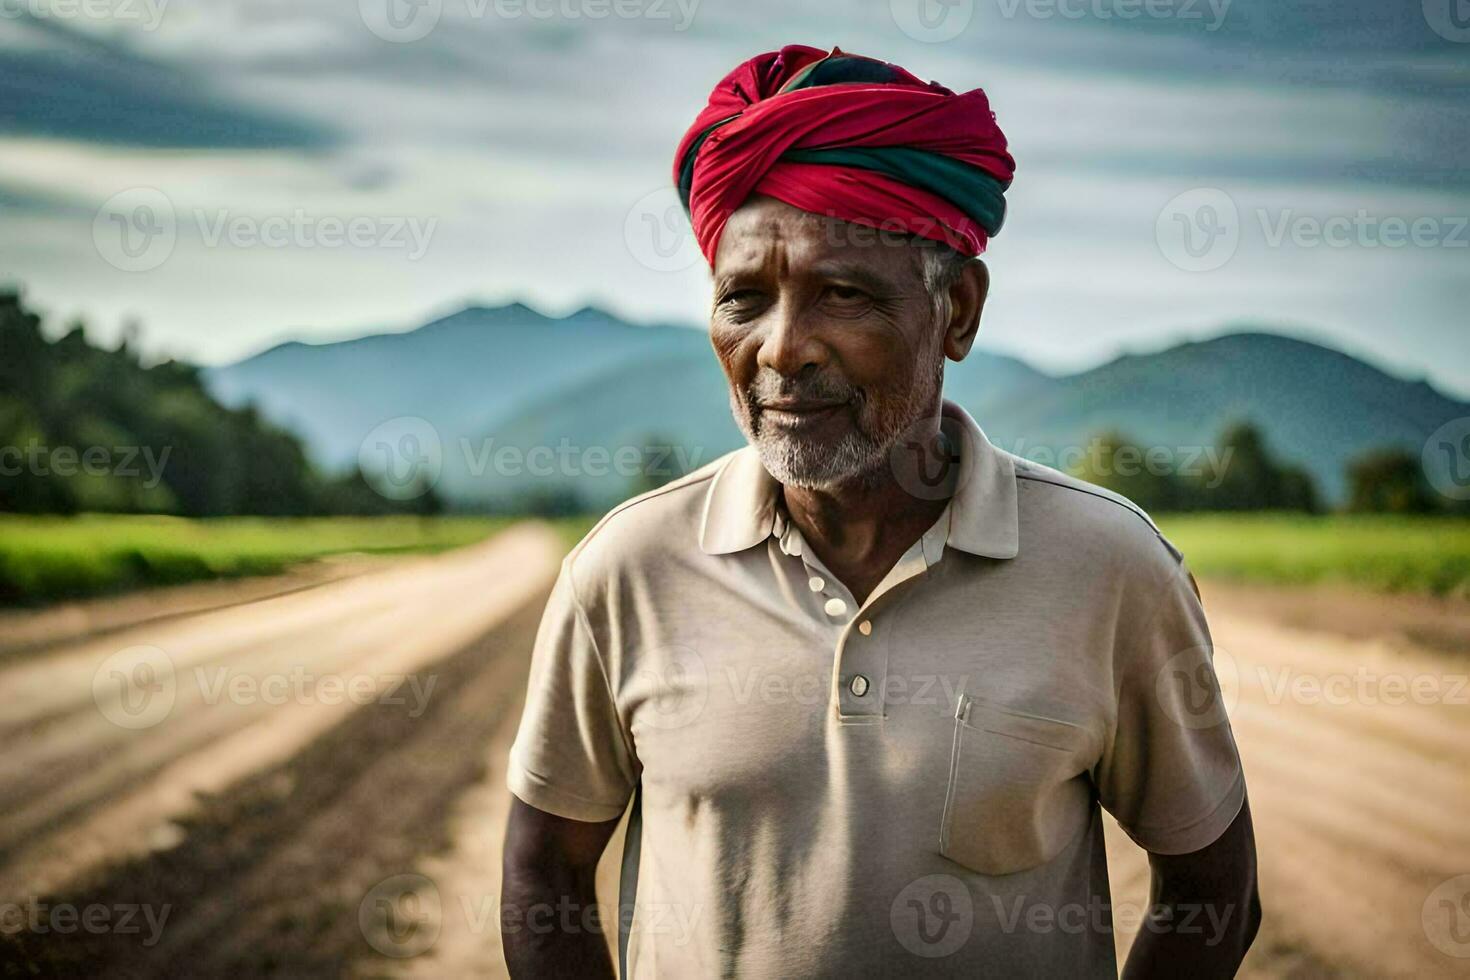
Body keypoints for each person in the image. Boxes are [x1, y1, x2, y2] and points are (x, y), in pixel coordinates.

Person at [502, 44, 1260, 978]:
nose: (782, 350)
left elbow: (1212, 889)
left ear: (959, 313)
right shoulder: (627, 568)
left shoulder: (1110, 568)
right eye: (745, 298)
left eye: (843, 294)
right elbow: (544, 874)